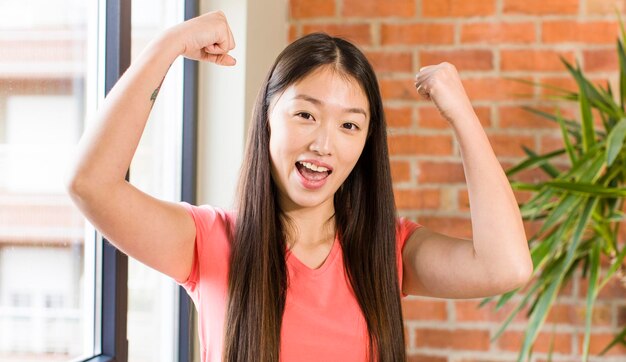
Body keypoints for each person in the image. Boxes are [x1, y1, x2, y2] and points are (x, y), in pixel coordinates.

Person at [67, 10, 533, 362]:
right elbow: (91, 184)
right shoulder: (209, 242)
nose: (323, 144)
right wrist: (167, 45)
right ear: (268, 118)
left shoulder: (386, 250)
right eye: (305, 114)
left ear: (366, 144)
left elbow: (506, 266)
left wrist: (461, 115)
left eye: (350, 126)